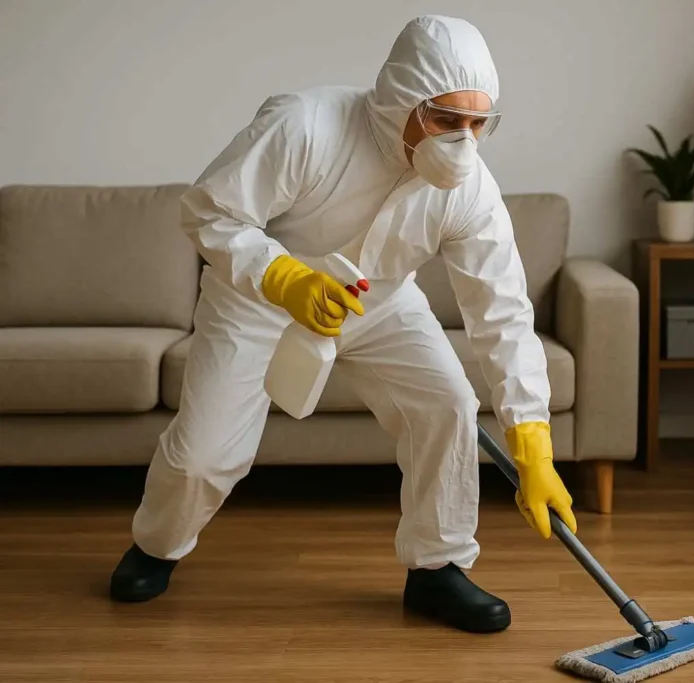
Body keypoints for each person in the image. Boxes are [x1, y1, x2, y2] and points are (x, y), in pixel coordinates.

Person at [108, 15, 577, 634]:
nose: (464, 140)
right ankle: (156, 545)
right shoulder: (306, 125)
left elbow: (503, 311)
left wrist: (533, 440)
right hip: (260, 296)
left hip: (378, 302)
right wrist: (285, 279)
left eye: (476, 123)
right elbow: (208, 212)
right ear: (404, 100)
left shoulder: (469, 190)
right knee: (206, 458)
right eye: (446, 119)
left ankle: (437, 568)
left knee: (448, 404)